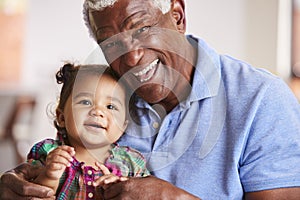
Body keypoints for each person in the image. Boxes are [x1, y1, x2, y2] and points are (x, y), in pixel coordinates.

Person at [1, 0, 300, 199]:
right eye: (111, 43)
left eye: (143, 29)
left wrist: (177, 198)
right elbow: (61, 167)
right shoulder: (104, 96)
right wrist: (22, 184)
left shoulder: (262, 100)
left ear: (178, 17)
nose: (131, 56)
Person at [27, 63, 149, 199]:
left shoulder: (132, 163)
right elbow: (31, 194)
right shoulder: (49, 152)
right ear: (62, 117)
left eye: (110, 106)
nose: (98, 112)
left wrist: (122, 188)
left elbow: (146, 194)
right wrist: (49, 176)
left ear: (123, 125)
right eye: (85, 102)